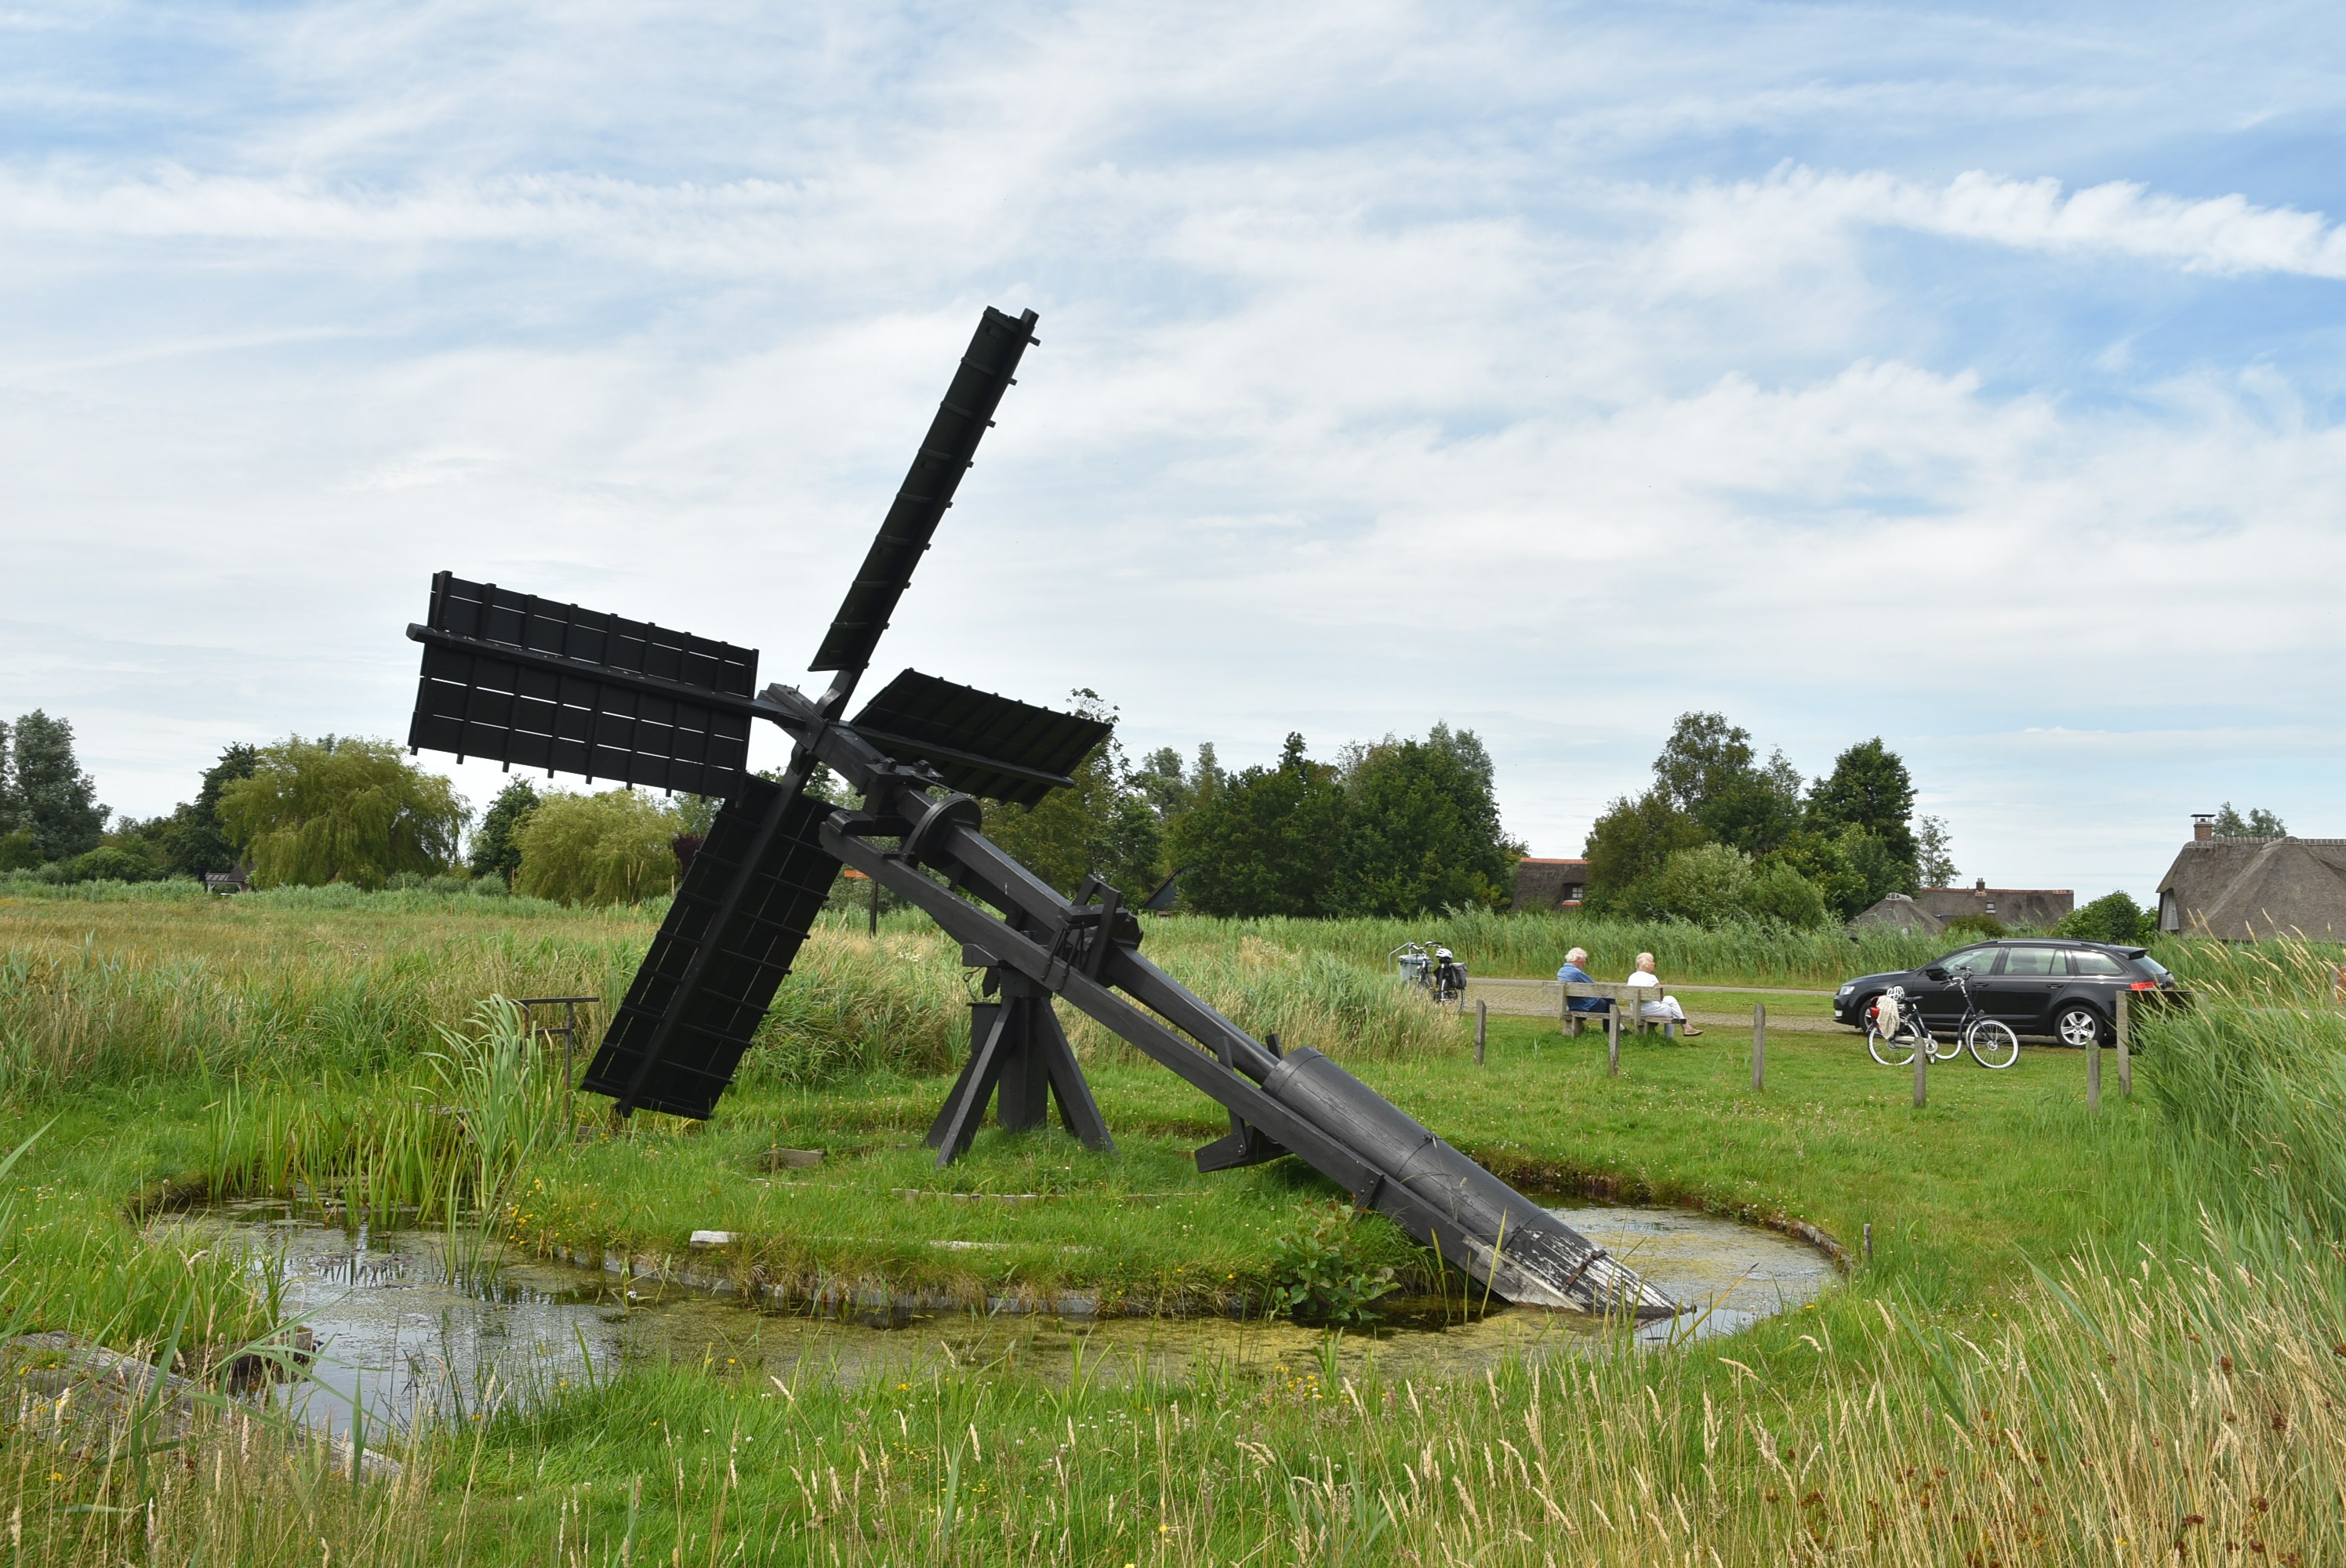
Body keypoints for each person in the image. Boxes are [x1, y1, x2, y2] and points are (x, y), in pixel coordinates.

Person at [1622, 952, 1701, 1036]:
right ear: (1646, 965)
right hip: (1650, 1010)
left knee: (1671, 999)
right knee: (1672, 1009)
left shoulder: (1632, 977)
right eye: (1652, 962)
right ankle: (1672, 1037)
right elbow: (1661, 996)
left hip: (1635, 1010)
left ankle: (1687, 1027)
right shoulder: (1651, 978)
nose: (1654, 964)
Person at [1555, 947, 1610, 1015]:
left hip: (1573, 1005)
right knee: (1610, 1001)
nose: (1584, 964)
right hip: (1586, 1006)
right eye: (1583, 961)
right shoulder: (1577, 972)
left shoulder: (1561, 972)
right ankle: (1613, 1026)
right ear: (1578, 960)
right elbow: (1595, 987)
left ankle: (1618, 1026)